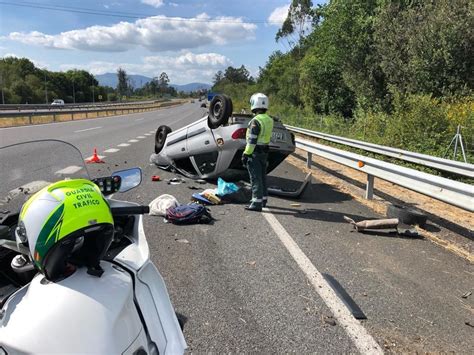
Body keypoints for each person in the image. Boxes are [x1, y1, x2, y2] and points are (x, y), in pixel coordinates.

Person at [241, 93, 274, 212]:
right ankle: (263, 200)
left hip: (255, 152)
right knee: (262, 177)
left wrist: (246, 153)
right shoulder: (269, 120)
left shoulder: (256, 121)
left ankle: (256, 203)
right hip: (265, 151)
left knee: (255, 178)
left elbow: (252, 140)